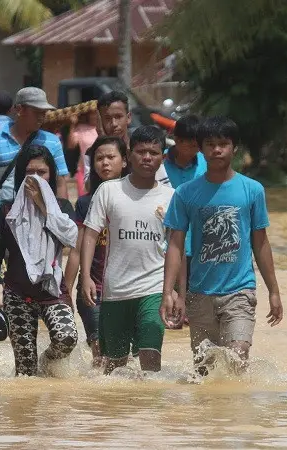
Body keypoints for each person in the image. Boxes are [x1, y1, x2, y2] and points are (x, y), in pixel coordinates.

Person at [162, 116, 283, 376]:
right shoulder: (185, 193)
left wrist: (274, 290)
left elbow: (260, 243)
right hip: (199, 294)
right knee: (204, 370)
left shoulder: (252, 190)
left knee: (237, 356)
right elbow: (175, 245)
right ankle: (210, 416)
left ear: (234, 148)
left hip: (239, 292)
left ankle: (236, 415)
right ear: (201, 149)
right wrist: (168, 293)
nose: (217, 150)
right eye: (210, 144)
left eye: (223, 144)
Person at [80, 126, 175, 374]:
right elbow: (90, 235)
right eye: (141, 151)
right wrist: (87, 277)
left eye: (153, 153)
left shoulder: (172, 197)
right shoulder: (109, 190)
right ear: (129, 155)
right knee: (114, 369)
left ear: (162, 158)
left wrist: (175, 291)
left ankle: (150, 411)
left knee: (150, 359)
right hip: (116, 292)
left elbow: (177, 249)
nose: (147, 157)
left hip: (153, 289)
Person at [0, 144, 79, 377]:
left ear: (51, 175)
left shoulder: (63, 209)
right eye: (29, 172)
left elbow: (71, 238)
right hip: (17, 294)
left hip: (53, 291)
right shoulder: (6, 212)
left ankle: (47, 362)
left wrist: (44, 207)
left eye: (42, 172)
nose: (35, 178)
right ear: (20, 176)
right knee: (26, 373)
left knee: (67, 338)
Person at [64, 136, 128, 367]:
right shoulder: (85, 203)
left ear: (124, 161)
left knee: (123, 359)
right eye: (99, 158)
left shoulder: (136, 198)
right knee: (100, 356)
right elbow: (75, 250)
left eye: (111, 157)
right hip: (93, 290)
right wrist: (66, 292)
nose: (105, 163)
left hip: (127, 289)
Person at [0, 87, 70, 211]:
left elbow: (60, 183)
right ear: (20, 110)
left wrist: (63, 215)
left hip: (43, 219)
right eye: (37, 112)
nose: (42, 117)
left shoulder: (52, 142)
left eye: (44, 113)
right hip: (3, 220)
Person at [162, 114, 208, 329]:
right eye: (186, 144)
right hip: (164, 241)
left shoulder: (207, 165)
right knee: (168, 311)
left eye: (195, 145)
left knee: (193, 313)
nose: (191, 150)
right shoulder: (157, 163)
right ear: (175, 139)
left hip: (198, 243)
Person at [88, 91, 170, 186]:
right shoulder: (92, 153)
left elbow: (164, 189)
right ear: (99, 121)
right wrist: (103, 143)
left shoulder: (145, 149)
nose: (114, 124)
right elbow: (89, 187)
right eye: (107, 118)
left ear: (128, 117)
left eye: (118, 117)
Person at [67, 110, 99, 196]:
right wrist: (72, 124)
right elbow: (71, 145)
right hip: (84, 169)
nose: (94, 117)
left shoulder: (104, 128)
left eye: (96, 114)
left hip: (101, 167)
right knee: (85, 199)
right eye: (91, 114)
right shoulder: (81, 128)